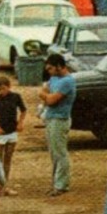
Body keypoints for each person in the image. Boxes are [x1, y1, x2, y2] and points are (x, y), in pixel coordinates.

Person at [37, 52, 76, 196]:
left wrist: (46, 96)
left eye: (51, 69)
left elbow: (52, 100)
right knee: (54, 153)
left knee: (60, 152)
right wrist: (47, 96)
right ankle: (56, 182)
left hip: (60, 119)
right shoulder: (54, 78)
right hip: (51, 118)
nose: (49, 72)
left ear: (59, 67)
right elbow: (45, 92)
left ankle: (61, 184)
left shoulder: (67, 81)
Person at [0, 75, 27, 194]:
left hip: (12, 131)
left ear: (9, 86)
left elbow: (23, 110)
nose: (2, 92)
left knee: (7, 160)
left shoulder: (16, 97)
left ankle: (3, 186)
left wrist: (20, 123)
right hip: (0, 133)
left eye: (4, 88)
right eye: (0, 89)